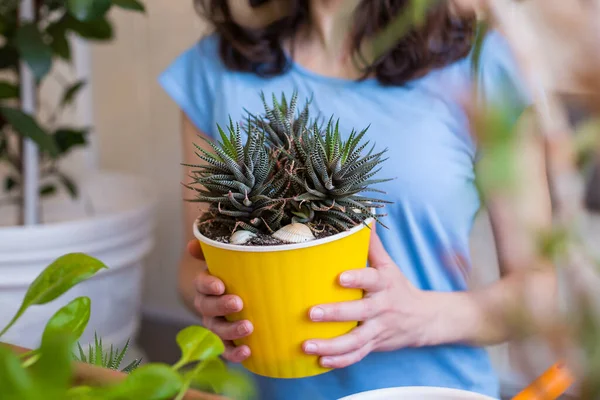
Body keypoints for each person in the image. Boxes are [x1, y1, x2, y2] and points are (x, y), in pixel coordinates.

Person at [158, 1, 555, 398]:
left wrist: (420, 318)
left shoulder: (480, 64)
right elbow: (193, 265)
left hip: (431, 389)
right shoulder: (215, 66)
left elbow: (540, 291)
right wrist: (210, 299)